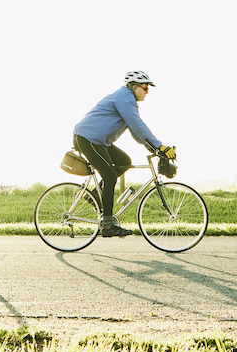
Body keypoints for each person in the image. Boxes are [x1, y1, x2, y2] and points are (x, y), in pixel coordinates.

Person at [72, 70, 177, 237]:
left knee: (124, 161)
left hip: (98, 141)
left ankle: (94, 194)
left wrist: (155, 149)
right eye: (145, 88)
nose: (147, 92)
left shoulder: (127, 99)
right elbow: (136, 124)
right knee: (110, 176)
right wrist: (160, 146)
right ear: (134, 86)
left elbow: (136, 133)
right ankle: (107, 226)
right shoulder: (125, 98)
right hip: (88, 139)